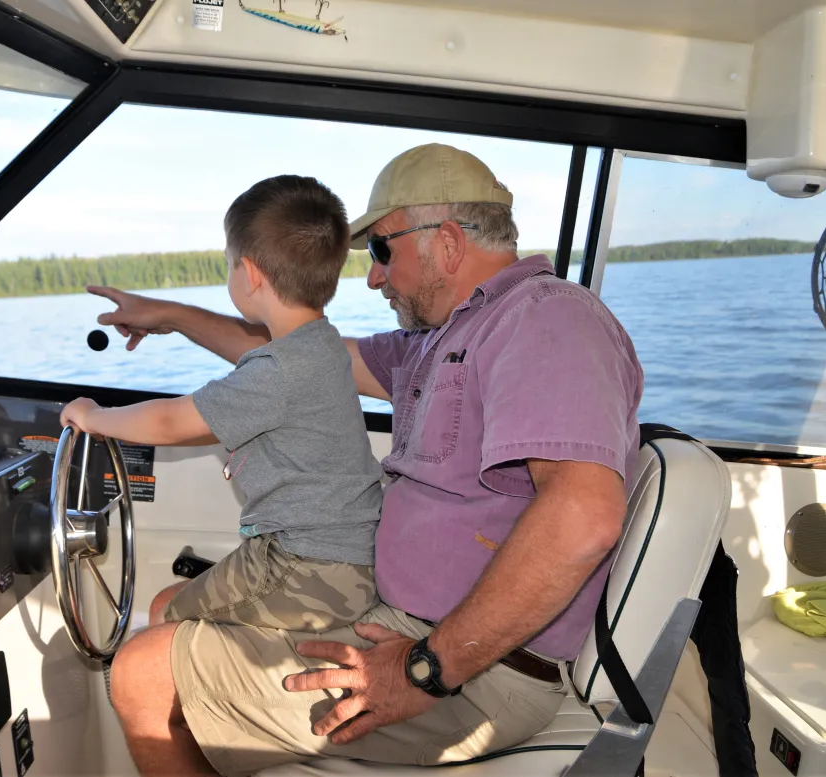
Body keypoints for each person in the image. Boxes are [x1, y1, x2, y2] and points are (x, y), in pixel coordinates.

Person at [97, 143, 644, 776]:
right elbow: (303, 361)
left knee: (141, 673)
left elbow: (582, 516)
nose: (373, 277)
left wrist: (426, 669)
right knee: (169, 602)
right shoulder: (442, 337)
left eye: (381, 249)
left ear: (446, 242)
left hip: (472, 670)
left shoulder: (547, 322)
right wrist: (171, 315)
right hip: (398, 621)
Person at [61, 174, 384, 634]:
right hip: (343, 557)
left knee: (162, 621)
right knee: (166, 599)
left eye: (230, 264)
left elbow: (173, 422)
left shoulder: (278, 370)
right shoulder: (323, 345)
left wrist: (94, 418)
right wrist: (168, 314)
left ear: (250, 274)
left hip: (308, 567)